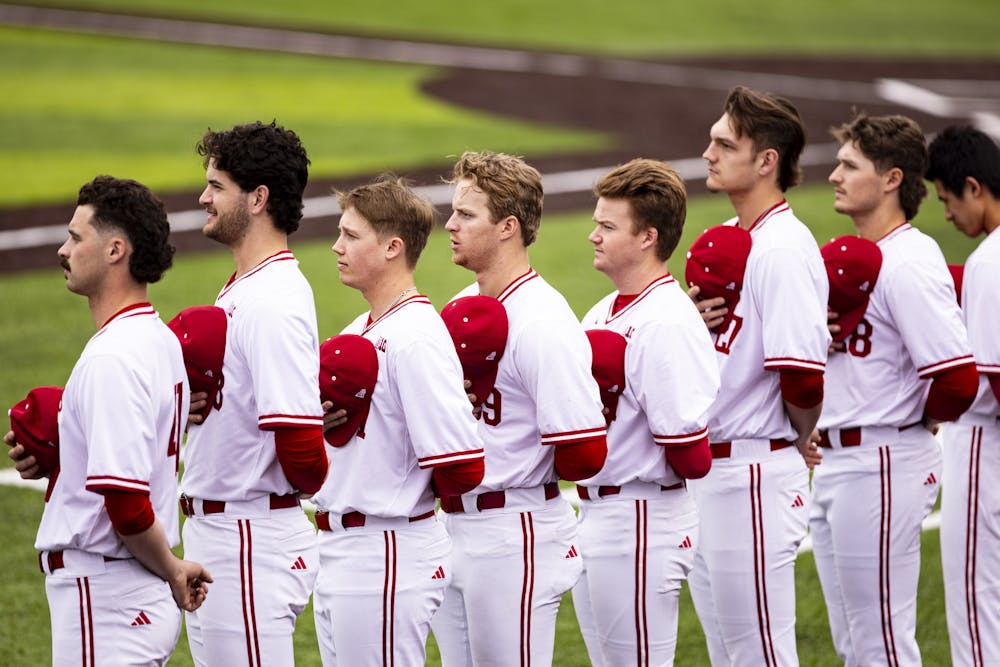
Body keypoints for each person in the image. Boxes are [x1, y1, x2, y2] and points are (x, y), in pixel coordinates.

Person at [4, 175, 211, 666]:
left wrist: (173, 569)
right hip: (125, 596)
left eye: (76, 237)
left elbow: (126, 501)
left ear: (116, 249)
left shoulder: (113, 358)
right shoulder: (157, 339)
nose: (62, 250)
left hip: (109, 598)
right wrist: (67, 464)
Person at [811, 114, 979, 666]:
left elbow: (956, 379)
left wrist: (911, 421)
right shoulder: (853, 256)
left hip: (882, 462)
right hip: (841, 463)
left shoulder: (908, 262)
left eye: (849, 165)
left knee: (882, 641)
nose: (834, 175)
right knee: (855, 644)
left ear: (891, 179)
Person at [430, 151, 608, 666]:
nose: (451, 224)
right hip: (455, 528)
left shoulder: (543, 321)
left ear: (508, 227)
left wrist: (517, 467)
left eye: (466, 214)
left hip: (514, 532)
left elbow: (582, 451)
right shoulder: (463, 305)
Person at [311, 176, 486, 666]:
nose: (336, 246)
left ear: (392, 247)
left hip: (385, 550)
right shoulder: (361, 328)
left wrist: (400, 497)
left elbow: (461, 466)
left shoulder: (416, 337)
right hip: (345, 549)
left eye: (350, 235)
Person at [687, 86, 830, 666]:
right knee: (730, 653)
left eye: (725, 143)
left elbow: (801, 374)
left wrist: (800, 435)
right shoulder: (737, 238)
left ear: (766, 160)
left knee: (759, 654)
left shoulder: (783, 249)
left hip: (752, 473)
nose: (708, 153)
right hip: (717, 472)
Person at [179, 120, 329, 666]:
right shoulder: (246, 286)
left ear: (258, 198)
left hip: (248, 537)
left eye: (217, 185)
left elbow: (299, 444)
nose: (203, 197)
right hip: (231, 530)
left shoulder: (272, 300)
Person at [572, 158, 719, 666]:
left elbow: (689, 453)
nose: (593, 235)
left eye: (607, 226)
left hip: (642, 518)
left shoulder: (668, 320)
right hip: (602, 514)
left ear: (647, 237)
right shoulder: (604, 310)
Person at [926, 125, 1000, 667]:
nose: (947, 214)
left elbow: (992, 383)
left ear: (974, 187)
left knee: (978, 608)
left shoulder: (990, 263)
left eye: (949, 199)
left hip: (985, 453)